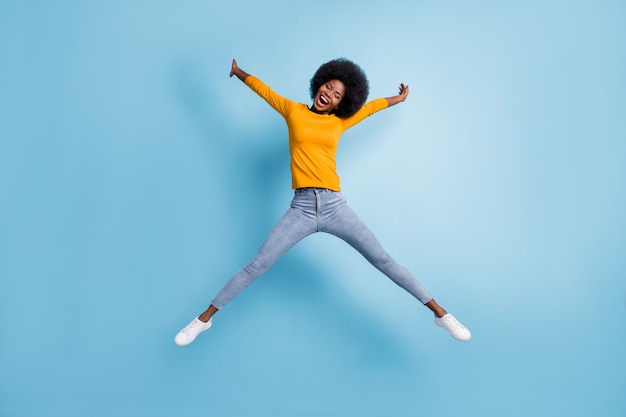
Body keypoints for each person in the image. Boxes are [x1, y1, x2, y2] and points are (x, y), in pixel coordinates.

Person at [174, 58, 471, 346]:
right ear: (319, 84)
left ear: (342, 103)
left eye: (337, 94)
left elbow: (372, 108)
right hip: (301, 209)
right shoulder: (293, 111)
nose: (328, 94)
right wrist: (238, 72)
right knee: (257, 265)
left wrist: (400, 98)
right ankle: (204, 319)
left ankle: (440, 314)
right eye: (327, 86)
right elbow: (264, 90)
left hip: (334, 207)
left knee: (383, 260)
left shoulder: (340, 122)